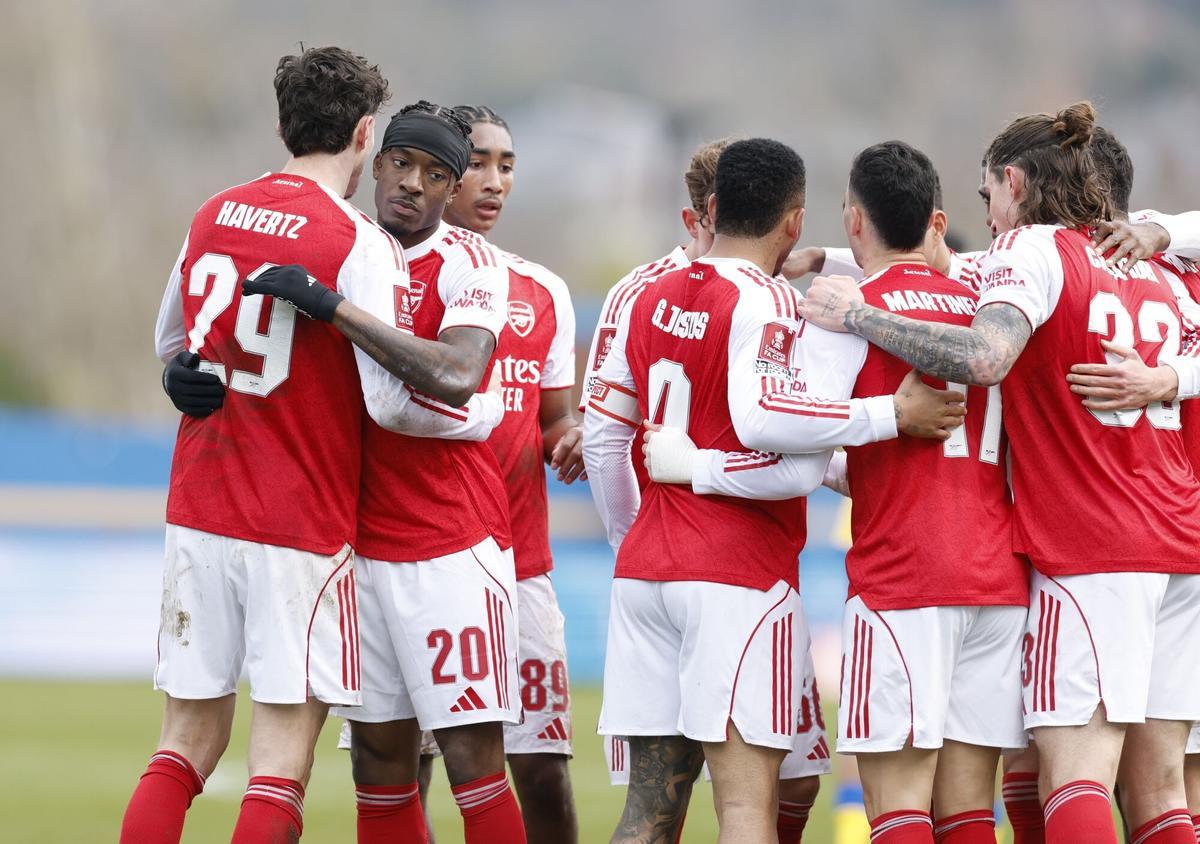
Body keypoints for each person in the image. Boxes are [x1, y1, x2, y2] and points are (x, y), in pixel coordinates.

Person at [128, 49, 505, 844]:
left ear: (279, 123)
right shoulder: (353, 241)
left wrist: (183, 382)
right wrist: (477, 418)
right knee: (278, 763)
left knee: (181, 746)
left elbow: (172, 344)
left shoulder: (214, 211)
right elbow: (389, 404)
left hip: (197, 506)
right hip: (296, 520)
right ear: (367, 136)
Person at [803, 102, 1200, 844]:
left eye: (988, 195)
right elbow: (950, 269)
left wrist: (857, 317)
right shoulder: (1156, 269)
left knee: (1074, 776)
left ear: (1014, 181)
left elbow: (985, 356)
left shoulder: (1033, 250)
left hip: (1092, 551)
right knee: (1161, 790)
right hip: (1178, 545)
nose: (987, 216)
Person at [252, 101, 527, 844]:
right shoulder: (340, 244)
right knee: (378, 764)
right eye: (401, 165)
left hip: (450, 545)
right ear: (375, 165)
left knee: (474, 759)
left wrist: (336, 311)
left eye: (436, 174)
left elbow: (461, 372)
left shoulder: (473, 265)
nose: (413, 184)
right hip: (356, 547)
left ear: (452, 188)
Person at [440, 103, 583, 844]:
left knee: (544, 773)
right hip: (417, 562)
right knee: (398, 770)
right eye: (477, 163)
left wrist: (573, 438)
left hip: (522, 567)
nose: (494, 182)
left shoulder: (543, 290)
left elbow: (555, 415)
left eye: (507, 165)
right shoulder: (388, 272)